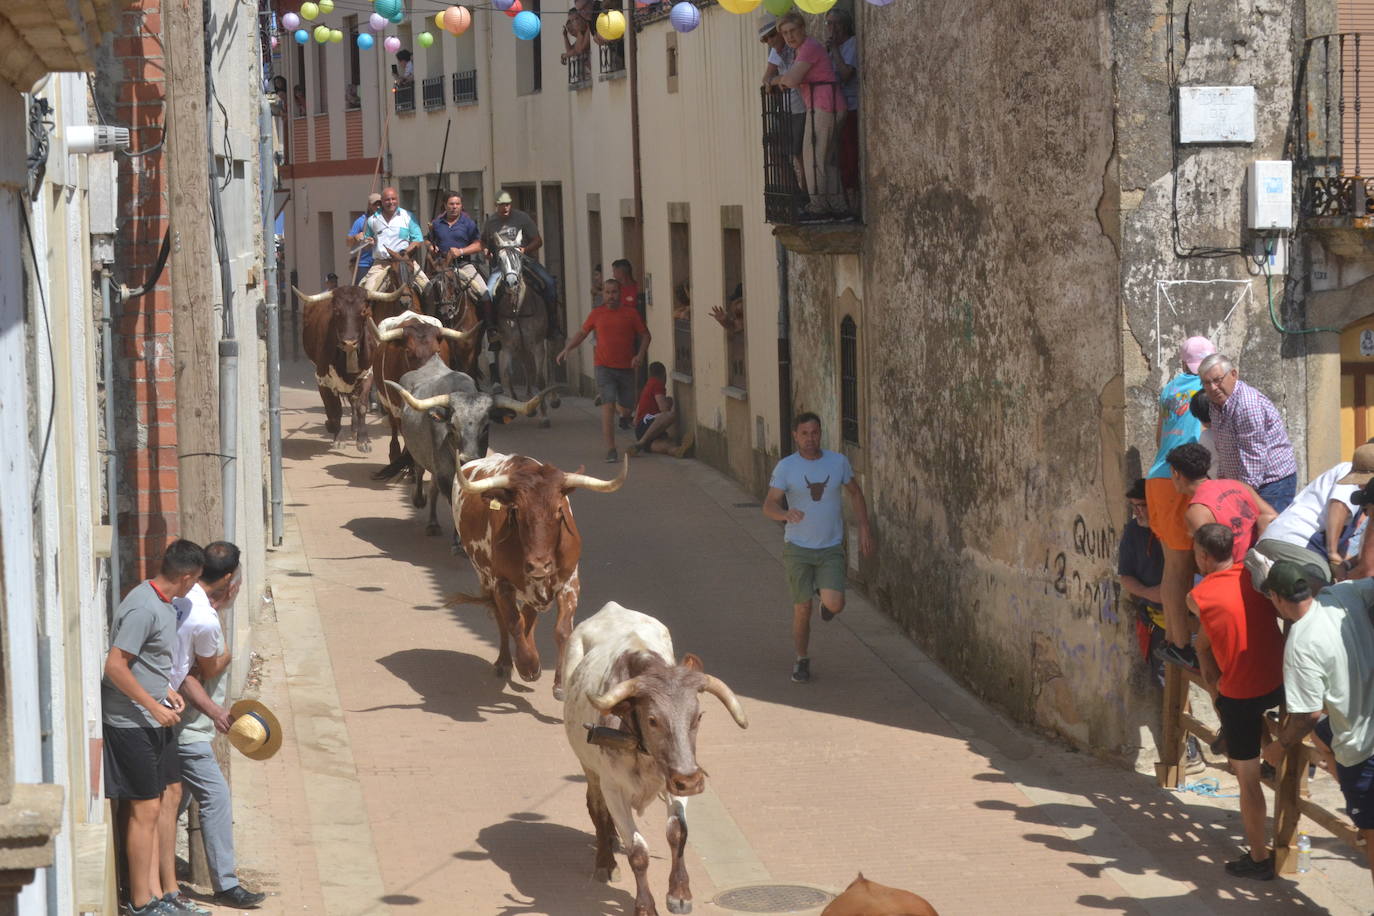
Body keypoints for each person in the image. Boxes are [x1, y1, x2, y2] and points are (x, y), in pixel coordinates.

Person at [102, 539, 204, 916]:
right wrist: (151, 705)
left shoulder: (161, 602)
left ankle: (159, 894)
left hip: (152, 715)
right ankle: (141, 902)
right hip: (130, 723)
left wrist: (167, 693)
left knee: (162, 799)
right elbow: (115, 666)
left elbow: (147, 664)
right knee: (144, 808)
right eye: (194, 581)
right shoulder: (144, 607)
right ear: (187, 576)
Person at [1261, 560, 1374, 893]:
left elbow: (1307, 715)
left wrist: (1277, 747)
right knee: (1322, 737)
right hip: (1357, 729)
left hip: (1360, 748)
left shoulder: (1300, 642)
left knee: (1371, 839)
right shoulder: (1343, 595)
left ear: (1277, 599)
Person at [166, 542, 267, 909]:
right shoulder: (204, 619)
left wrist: (221, 606)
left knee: (173, 801)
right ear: (228, 577)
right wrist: (217, 711)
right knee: (216, 797)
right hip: (186, 726)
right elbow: (196, 673)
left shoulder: (191, 597)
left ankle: (147, 868)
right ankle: (225, 884)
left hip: (182, 722)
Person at [1187, 523, 1286, 881]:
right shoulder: (1255, 575)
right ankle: (1237, 729)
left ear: (1202, 555)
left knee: (1247, 779)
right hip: (1279, 682)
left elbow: (1204, 641)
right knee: (1208, 653)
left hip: (1242, 695)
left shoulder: (1197, 596)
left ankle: (1259, 857)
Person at [762, 412, 874, 683]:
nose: (810, 438)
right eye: (804, 433)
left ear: (820, 433)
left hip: (830, 547)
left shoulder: (838, 462)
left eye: (814, 433)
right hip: (798, 548)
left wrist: (864, 526)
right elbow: (769, 505)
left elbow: (856, 493)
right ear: (795, 436)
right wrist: (785, 515)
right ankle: (801, 659)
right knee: (802, 608)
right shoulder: (786, 467)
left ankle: (826, 602)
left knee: (836, 604)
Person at [1155, 442, 1277, 668]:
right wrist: (1255, 552)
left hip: (1230, 584)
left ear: (1176, 474)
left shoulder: (1196, 512)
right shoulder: (1238, 485)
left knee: (1195, 606)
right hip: (1254, 573)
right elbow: (1269, 516)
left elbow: (1208, 562)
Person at [1119, 479, 1205, 770]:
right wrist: (1148, 593)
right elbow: (1125, 576)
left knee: (1213, 678)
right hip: (1158, 622)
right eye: (1134, 508)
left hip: (1194, 619)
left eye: (1142, 506)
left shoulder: (1178, 528)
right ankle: (1190, 750)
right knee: (1168, 681)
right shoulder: (1133, 532)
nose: (1138, 513)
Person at [1144, 336, 1216, 668]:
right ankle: (1178, 641)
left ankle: (1177, 639)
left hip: (1158, 476)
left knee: (1172, 565)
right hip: (1179, 478)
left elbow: (1160, 436)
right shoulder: (1205, 387)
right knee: (1179, 569)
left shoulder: (1170, 389)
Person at [556, 276, 650, 462]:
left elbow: (646, 335)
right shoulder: (596, 314)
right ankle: (611, 449)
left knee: (627, 406)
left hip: (626, 368)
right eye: (607, 292)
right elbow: (583, 333)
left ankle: (616, 404)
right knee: (607, 406)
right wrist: (568, 348)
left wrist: (639, 355)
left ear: (620, 294)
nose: (611, 296)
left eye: (614, 292)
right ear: (603, 294)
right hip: (604, 367)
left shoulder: (631, 314)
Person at [1247, 448, 1366, 586]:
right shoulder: (1353, 473)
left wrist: (1344, 565)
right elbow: (1338, 505)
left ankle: (1275, 578)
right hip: (1295, 543)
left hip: (1282, 541)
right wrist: (1333, 554)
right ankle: (1270, 581)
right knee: (1321, 588)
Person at [1198, 353, 1298, 513]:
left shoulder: (1247, 406)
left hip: (1271, 484)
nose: (1212, 387)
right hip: (1245, 484)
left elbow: (1253, 457)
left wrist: (1239, 496)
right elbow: (1223, 449)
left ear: (1233, 375)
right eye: (1206, 383)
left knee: (1267, 535)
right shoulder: (1215, 404)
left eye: (1217, 380)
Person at [772, 12, 847, 216]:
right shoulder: (803, 50)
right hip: (828, 105)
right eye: (785, 33)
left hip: (823, 105)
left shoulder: (809, 48)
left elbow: (792, 80)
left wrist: (777, 79)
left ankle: (818, 206)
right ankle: (837, 204)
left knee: (812, 157)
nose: (789, 37)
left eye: (792, 31)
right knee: (825, 158)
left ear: (803, 29)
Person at [483, 190, 561, 337]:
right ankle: (492, 330)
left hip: (524, 260)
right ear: (496, 206)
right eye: (501, 205)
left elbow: (538, 241)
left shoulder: (522, 218)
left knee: (549, 282)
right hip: (502, 264)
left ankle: (553, 324)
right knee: (488, 292)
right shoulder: (491, 222)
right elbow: (484, 241)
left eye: (507, 204)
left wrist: (525, 249)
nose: (505, 208)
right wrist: (487, 250)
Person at [429, 191, 494, 347]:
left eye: (457, 204)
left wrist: (461, 251)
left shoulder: (468, 223)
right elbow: (428, 241)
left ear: (461, 206)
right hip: (442, 267)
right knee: (426, 292)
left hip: (464, 265)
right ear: (445, 205)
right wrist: (432, 247)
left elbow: (479, 245)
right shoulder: (437, 224)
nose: (454, 207)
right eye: (451, 204)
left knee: (484, 292)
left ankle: (492, 329)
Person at [760, 15, 807, 203]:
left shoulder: (797, 48)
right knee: (774, 147)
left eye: (772, 36)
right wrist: (773, 81)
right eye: (766, 39)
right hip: (785, 110)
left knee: (799, 153)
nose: (770, 41)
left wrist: (778, 80)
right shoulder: (776, 52)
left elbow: (791, 79)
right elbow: (766, 78)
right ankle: (794, 192)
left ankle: (806, 194)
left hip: (801, 107)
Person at [361, 186, 428, 293]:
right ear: (382, 202)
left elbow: (418, 240)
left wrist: (405, 252)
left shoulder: (408, 216)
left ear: (398, 200)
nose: (391, 202)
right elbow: (367, 244)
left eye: (393, 199)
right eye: (387, 199)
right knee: (367, 293)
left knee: (427, 287)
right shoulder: (372, 220)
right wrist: (368, 242)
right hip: (381, 264)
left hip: (404, 262)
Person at [825, 8, 859, 210]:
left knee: (849, 155)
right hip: (833, 109)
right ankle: (841, 200)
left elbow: (846, 74)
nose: (832, 28)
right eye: (829, 23)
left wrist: (835, 51)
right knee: (836, 158)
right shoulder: (829, 48)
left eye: (836, 23)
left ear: (845, 24)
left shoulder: (852, 44)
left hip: (850, 106)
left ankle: (853, 201)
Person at [627, 362, 693, 458]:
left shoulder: (648, 385)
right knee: (671, 415)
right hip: (646, 426)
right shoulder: (657, 384)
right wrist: (670, 403)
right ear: (664, 374)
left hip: (641, 430)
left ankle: (677, 450)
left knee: (667, 444)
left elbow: (635, 419)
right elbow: (664, 409)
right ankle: (642, 442)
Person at [347, 192, 382, 284]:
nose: (378, 207)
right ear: (369, 205)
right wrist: (355, 237)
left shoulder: (386, 220)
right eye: (375, 204)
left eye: (380, 204)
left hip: (381, 262)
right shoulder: (360, 221)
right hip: (364, 264)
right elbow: (348, 242)